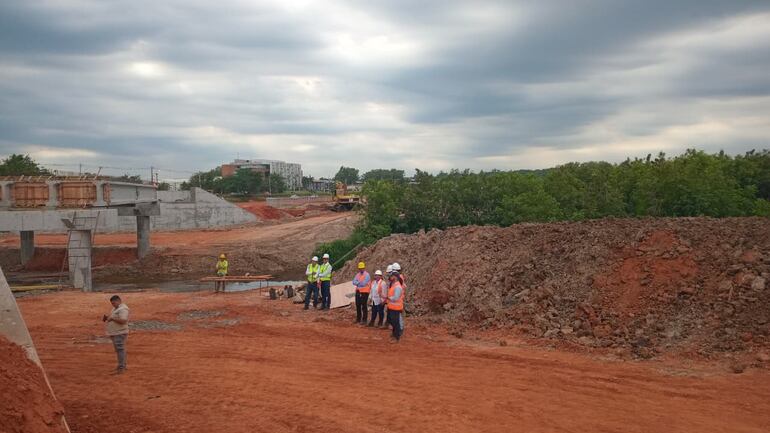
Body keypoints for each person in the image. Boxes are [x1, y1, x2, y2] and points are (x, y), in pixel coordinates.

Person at [102, 295, 130, 374]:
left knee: (120, 350)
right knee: (119, 350)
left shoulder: (123, 309)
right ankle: (121, 366)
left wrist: (112, 318)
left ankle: (121, 368)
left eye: (114, 303)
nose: (113, 305)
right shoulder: (116, 308)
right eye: (112, 303)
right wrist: (109, 318)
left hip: (120, 332)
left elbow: (123, 320)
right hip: (116, 332)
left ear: (118, 301)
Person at [386, 271, 404, 343]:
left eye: (392, 276)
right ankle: (394, 334)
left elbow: (396, 298)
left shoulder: (397, 287)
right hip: (392, 307)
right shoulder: (394, 285)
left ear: (395, 277)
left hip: (396, 308)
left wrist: (389, 298)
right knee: (392, 321)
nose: (390, 277)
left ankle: (396, 337)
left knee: (396, 323)